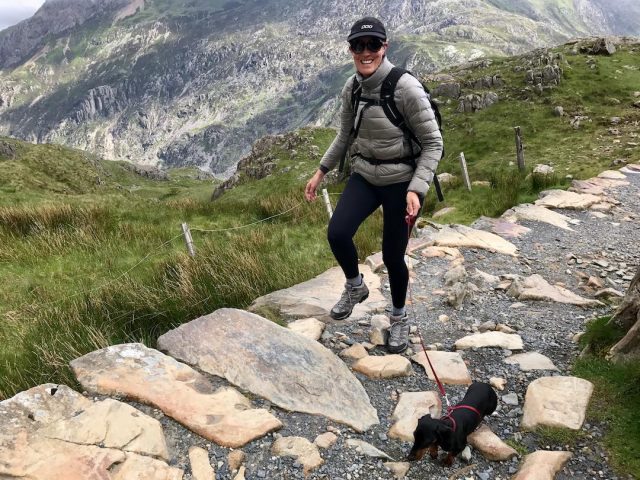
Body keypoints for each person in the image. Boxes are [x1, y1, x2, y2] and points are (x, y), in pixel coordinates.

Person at [304, 17, 443, 353]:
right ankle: (355, 286)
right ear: (351, 49)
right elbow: (344, 135)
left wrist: (416, 188)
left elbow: (433, 143)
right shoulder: (352, 88)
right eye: (358, 46)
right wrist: (321, 171)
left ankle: (398, 318)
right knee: (337, 233)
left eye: (372, 45)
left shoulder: (406, 88)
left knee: (393, 257)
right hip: (365, 175)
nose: (365, 52)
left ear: (385, 47)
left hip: (401, 182)